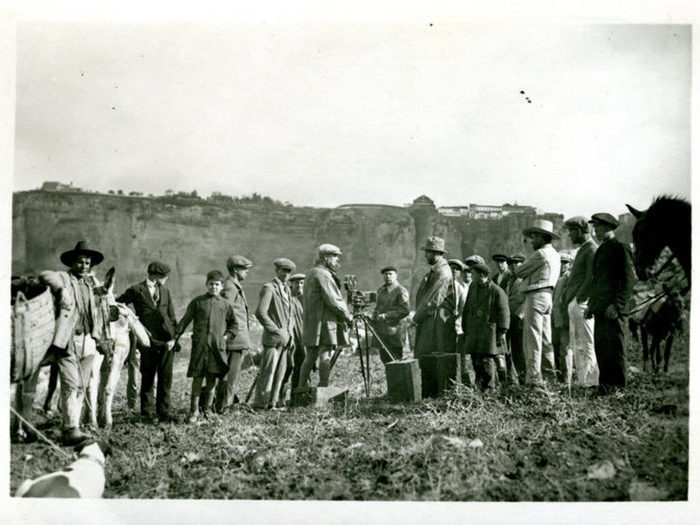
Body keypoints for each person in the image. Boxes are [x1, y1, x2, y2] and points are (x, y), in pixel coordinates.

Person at [38, 241, 106, 445]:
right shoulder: (64, 278)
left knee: (82, 386)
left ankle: (72, 422)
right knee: (71, 383)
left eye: (87, 263)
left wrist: (98, 336)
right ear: (72, 263)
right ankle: (69, 429)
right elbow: (44, 275)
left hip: (88, 341)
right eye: (80, 262)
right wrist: (61, 290)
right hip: (68, 340)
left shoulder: (91, 284)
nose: (84, 266)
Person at [116, 262, 178, 423]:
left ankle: (164, 413)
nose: (166, 280)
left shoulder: (165, 291)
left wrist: (174, 337)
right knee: (148, 377)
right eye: (165, 277)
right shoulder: (136, 290)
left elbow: (171, 316)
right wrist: (131, 319)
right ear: (157, 276)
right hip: (148, 342)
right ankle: (147, 414)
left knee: (166, 378)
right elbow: (119, 303)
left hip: (167, 342)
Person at [585, 213, 636, 395]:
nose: (595, 230)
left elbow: (629, 280)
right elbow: (597, 282)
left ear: (608, 227)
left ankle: (619, 389)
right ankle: (605, 387)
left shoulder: (621, 248)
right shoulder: (600, 250)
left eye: (598, 227)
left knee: (616, 350)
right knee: (602, 349)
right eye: (594, 227)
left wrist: (617, 305)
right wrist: (591, 306)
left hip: (614, 310)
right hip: (600, 310)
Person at [175, 270, 235, 423]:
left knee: (211, 380)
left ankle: (207, 411)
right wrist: (175, 337)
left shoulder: (226, 304)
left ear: (221, 286)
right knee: (197, 378)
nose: (213, 287)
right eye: (211, 284)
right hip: (200, 348)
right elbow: (185, 321)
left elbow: (234, 325)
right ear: (206, 284)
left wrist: (225, 337)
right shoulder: (198, 302)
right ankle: (194, 411)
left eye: (216, 284)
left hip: (216, 349)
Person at [513, 219, 561, 387]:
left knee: (532, 339)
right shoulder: (555, 254)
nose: (532, 241)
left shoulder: (540, 254)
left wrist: (527, 255)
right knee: (546, 339)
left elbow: (518, 271)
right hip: (548, 296)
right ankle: (550, 376)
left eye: (534, 237)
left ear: (542, 237)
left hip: (536, 296)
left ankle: (533, 378)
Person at [298, 244, 353, 388]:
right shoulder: (323, 274)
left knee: (310, 357)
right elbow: (333, 300)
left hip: (312, 324)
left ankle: (301, 389)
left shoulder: (311, 273)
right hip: (324, 322)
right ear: (326, 258)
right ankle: (323, 389)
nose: (336, 260)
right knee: (325, 356)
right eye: (334, 256)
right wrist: (348, 316)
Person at [253, 258, 296, 409]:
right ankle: (260, 404)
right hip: (273, 339)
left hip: (286, 339)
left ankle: (272, 403)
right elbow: (260, 312)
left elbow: (290, 314)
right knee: (268, 372)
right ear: (277, 271)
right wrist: (275, 330)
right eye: (283, 270)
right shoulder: (269, 288)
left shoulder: (287, 289)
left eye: (289, 271)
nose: (286, 274)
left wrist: (289, 333)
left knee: (280, 373)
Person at [562, 216, 600, 389]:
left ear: (578, 231)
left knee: (586, 343)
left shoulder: (591, 249)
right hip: (577, 303)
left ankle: (591, 382)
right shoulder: (585, 249)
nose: (569, 235)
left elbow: (592, 277)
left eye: (571, 231)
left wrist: (580, 298)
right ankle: (584, 381)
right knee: (578, 344)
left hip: (581, 303)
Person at [462, 263, 510, 391]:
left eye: (473, 274)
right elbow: (467, 308)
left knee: (487, 360)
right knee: (474, 359)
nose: (471, 276)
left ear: (481, 275)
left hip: (488, 332)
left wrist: (502, 332)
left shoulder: (497, 291)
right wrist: (465, 326)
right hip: (474, 330)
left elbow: (504, 313)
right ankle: (479, 385)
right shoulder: (473, 287)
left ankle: (489, 388)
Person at [216, 255, 253, 412]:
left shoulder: (233, 286)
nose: (246, 273)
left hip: (237, 338)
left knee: (231, 375)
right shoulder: (230, 287)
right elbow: (224, 311)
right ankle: (224, 406)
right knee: (231, 376)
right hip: (234, 339)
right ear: (236, 270)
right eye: (244, 269)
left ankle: (224, 405)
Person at [413, 237, 454, 367]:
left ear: (436, 253)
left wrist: (415, 318)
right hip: (431, 318)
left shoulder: (442, 272)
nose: (425, 255)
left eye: (428, 252)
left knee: (430, 356)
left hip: (436, 321)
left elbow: (432, 300)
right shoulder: (436, 271)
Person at [371, 266, 410, 363]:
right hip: (382, 330)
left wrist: (387, 315)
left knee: (395, 359)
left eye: (390, 274)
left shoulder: (401, 290)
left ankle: (397, 378)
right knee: (385, 359)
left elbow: (405, 310)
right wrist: (374, 315)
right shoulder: (381, 290)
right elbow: (378, 307)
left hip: (395, 330)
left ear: (396, 276)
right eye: (385, 274)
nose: (387, 276)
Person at [278, 273, 306, 404]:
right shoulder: (287, 299)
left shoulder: (304, 299)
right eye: (297, 283)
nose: (299, 286)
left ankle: (296, 397)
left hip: (301, 339)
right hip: (290, 338)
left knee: (300, 368)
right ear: (291, 284)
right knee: (287, 368)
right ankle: (280, 398)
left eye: (302, 283)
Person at [552, 253, 573, 385]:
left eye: (565, 263)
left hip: (565, 318)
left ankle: (567, 379)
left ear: (569, 264)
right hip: (553, 318)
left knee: (565, 350)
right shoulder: (554, 277)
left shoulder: (569, 278)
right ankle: (558, 377)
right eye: (560, 262)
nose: (562, 265)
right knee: (554, 347)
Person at [506, 254, 527, 383]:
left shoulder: (525, 279)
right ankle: (514, 378)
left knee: (520, 350)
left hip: (519, 319)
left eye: (517, 263)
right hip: (510, 318)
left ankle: (523, 377)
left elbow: (527, 299)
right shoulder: (509, 280)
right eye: (511, 263)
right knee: (511, 350)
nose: (514, 266)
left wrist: (520, 315)